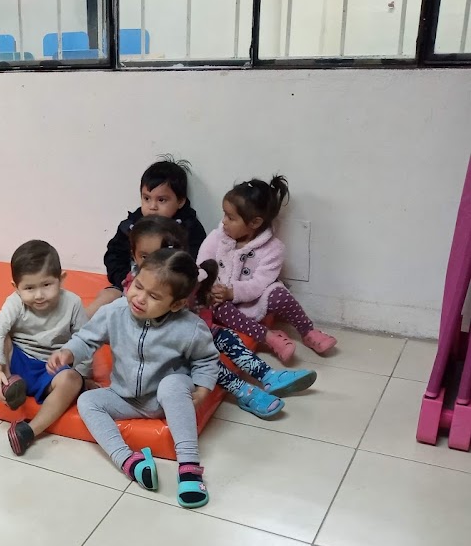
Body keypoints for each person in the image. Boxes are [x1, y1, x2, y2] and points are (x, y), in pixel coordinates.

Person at [51, 249, 220, 508]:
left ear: (176, 304)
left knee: (172, 384)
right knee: (87, 401)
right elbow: (87, 339)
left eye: (154, 296)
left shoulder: (190, 327)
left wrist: (203, 388)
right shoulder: (115, 311)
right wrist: (69, 352)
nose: (140, 298)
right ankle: (128, 461)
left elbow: (206, 360)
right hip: (125, 396)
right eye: (138, 286)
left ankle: (189, 466)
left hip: (165, 398)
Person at [127, 216, 316, 419]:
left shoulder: (181, 278)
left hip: (195, 332)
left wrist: (203, 307)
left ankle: (267, 375)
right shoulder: (136, 285)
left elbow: (198, 306)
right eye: (144, 256)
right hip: (170, 347)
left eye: (160, 255)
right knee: (207, 359)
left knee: (226, 337)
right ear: (134, 255)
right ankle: (244, 392)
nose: (154, 263)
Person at [199, 175, 337, 363]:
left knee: (280, 293)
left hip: (252, 299)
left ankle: (308, 331)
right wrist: (212, 288)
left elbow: (259, 284)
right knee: (216, 304)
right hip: (219, 300)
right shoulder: (217, 237)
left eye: (231, 217)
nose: (224, 221)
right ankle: (268, 337)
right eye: (224, 214)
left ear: (255, 223)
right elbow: (203, 265)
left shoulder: (273, 249)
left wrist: (232, 292)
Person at [0, 240, 89, 456]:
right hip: (18, 361)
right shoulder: (16, 302)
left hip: (52, 369)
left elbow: (85, 341)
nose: (39, 295)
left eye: (47, 285)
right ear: (16, 287)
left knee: (72, 379)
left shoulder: (73, 303)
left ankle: (29, 431)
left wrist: (83, 376)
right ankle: (9, 385)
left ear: (61, 278)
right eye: (29, 288)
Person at [85, 156, 207, 319]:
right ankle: (76, 326)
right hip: (131, 284)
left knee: (180, 315)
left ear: (180, 201)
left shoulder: (188, 229)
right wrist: (124, 279)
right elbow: (114, 254)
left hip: (166, 293)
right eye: (146, 198)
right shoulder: (132, 225)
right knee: (107, 297)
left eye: (161, 200)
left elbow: (193, 266)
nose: (152, 206)